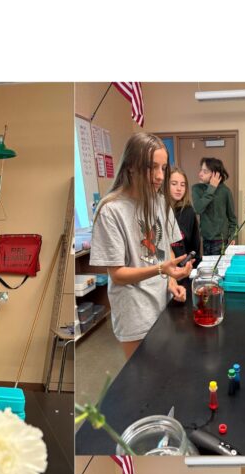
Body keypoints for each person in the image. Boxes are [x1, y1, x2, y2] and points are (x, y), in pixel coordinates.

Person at [90, 132, 192, 360]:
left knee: (166, 373)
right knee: (142, 381)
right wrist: (161, 270)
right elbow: (117, 274)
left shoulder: (160, 201)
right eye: (151, 167)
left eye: (163, 168)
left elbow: (166, 250)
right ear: (131, 166)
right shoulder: (111, 210)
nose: (159, 176)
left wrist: (172, 280)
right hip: (135, 312)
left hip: (162, 304)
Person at [191, 158, 237, 257]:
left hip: (221, 240)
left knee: (220, 269)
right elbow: (198, 209)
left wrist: (233, 236)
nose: (200, 174)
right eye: (201, 170)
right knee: (208, 268)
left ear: (215, 174)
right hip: (206, 239)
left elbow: (232, 218)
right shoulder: (197, 188)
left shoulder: (225, 191)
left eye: (205, 171)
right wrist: (211, 188)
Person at [168, 167, 200, 266]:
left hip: (184, 267)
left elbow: (195, 244)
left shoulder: (189, 211)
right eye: (174, 184)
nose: (179, 189)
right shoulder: (159, 209)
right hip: (163, 268)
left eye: (183, 185)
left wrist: (192, 261)